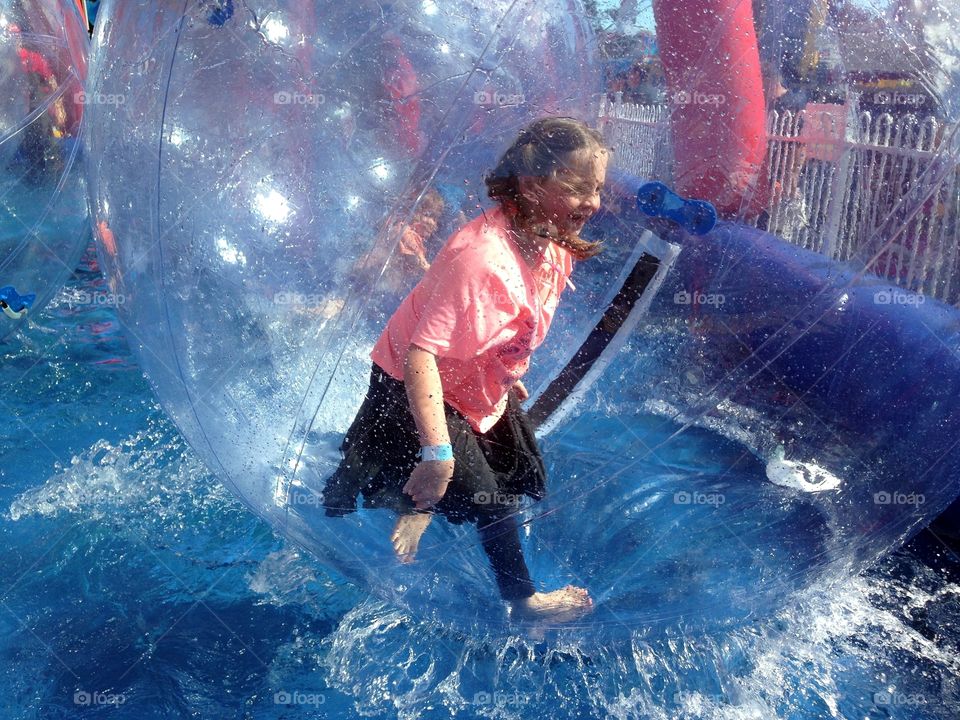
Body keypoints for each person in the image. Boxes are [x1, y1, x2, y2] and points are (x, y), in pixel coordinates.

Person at [322, 117, 609, 623]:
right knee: (489, 497)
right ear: (532, 185)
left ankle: (419, 502)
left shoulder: (549, 243)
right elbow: (419, 356)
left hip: (470, 381)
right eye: (578, 188)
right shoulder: (482, 259)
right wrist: (437, 454)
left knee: (514, 470)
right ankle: (524, 604)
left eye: (598, 188)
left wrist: (501, 366)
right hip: (413, 384)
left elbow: (505, 321)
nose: (593, 203)